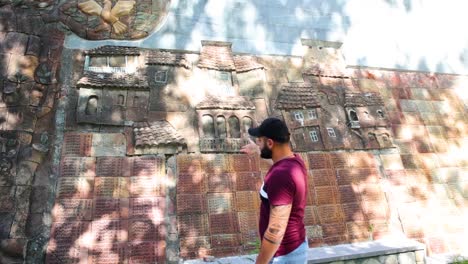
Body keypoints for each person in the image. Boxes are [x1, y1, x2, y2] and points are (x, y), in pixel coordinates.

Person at [241, 117, 308, 264]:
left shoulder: (281, 176)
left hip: (283, 255)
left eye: (259, 141)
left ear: (270, 143)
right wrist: (258, 151)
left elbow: (276, 230)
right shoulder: (294, 162)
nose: (258, 144)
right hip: (293, 248)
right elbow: (278, 164)